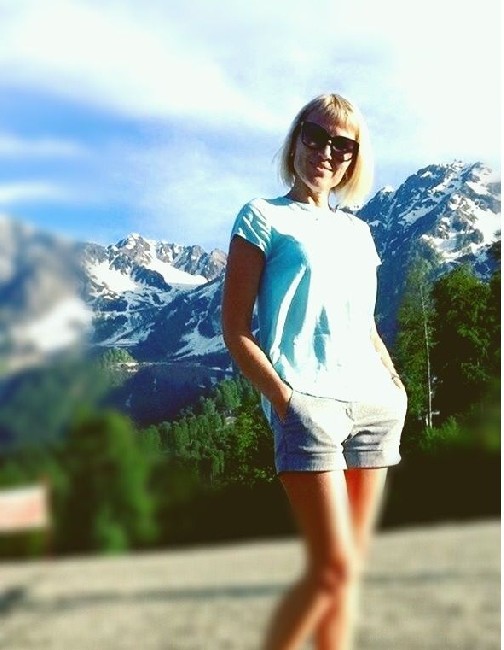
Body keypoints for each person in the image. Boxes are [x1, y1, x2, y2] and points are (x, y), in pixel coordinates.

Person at [221, 93, 407, 650]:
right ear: (296, 139)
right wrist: (286, 401)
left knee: (346, 578)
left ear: (354, 158)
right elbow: (235, 329)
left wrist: (394, 385)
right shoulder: (261, 217)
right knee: (332, 569)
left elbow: (363, 323)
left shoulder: (360, 233)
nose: (326, 151)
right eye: (316, 136)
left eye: (342, 144)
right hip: (308, 407)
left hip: (374, 407)